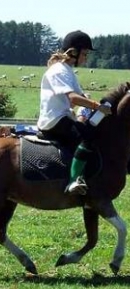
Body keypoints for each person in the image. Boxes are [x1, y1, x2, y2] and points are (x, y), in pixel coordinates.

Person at [37, 30, 111, 195]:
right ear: (74, 52)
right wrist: (97, 106)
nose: (86, 58)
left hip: (63, 118)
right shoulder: (59, 70)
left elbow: (81, 96)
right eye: (85, 53)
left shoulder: (68, 70)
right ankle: (74, 180)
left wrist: (102, 107)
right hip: (55, 120)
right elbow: (73, 99)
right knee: (87, 137)